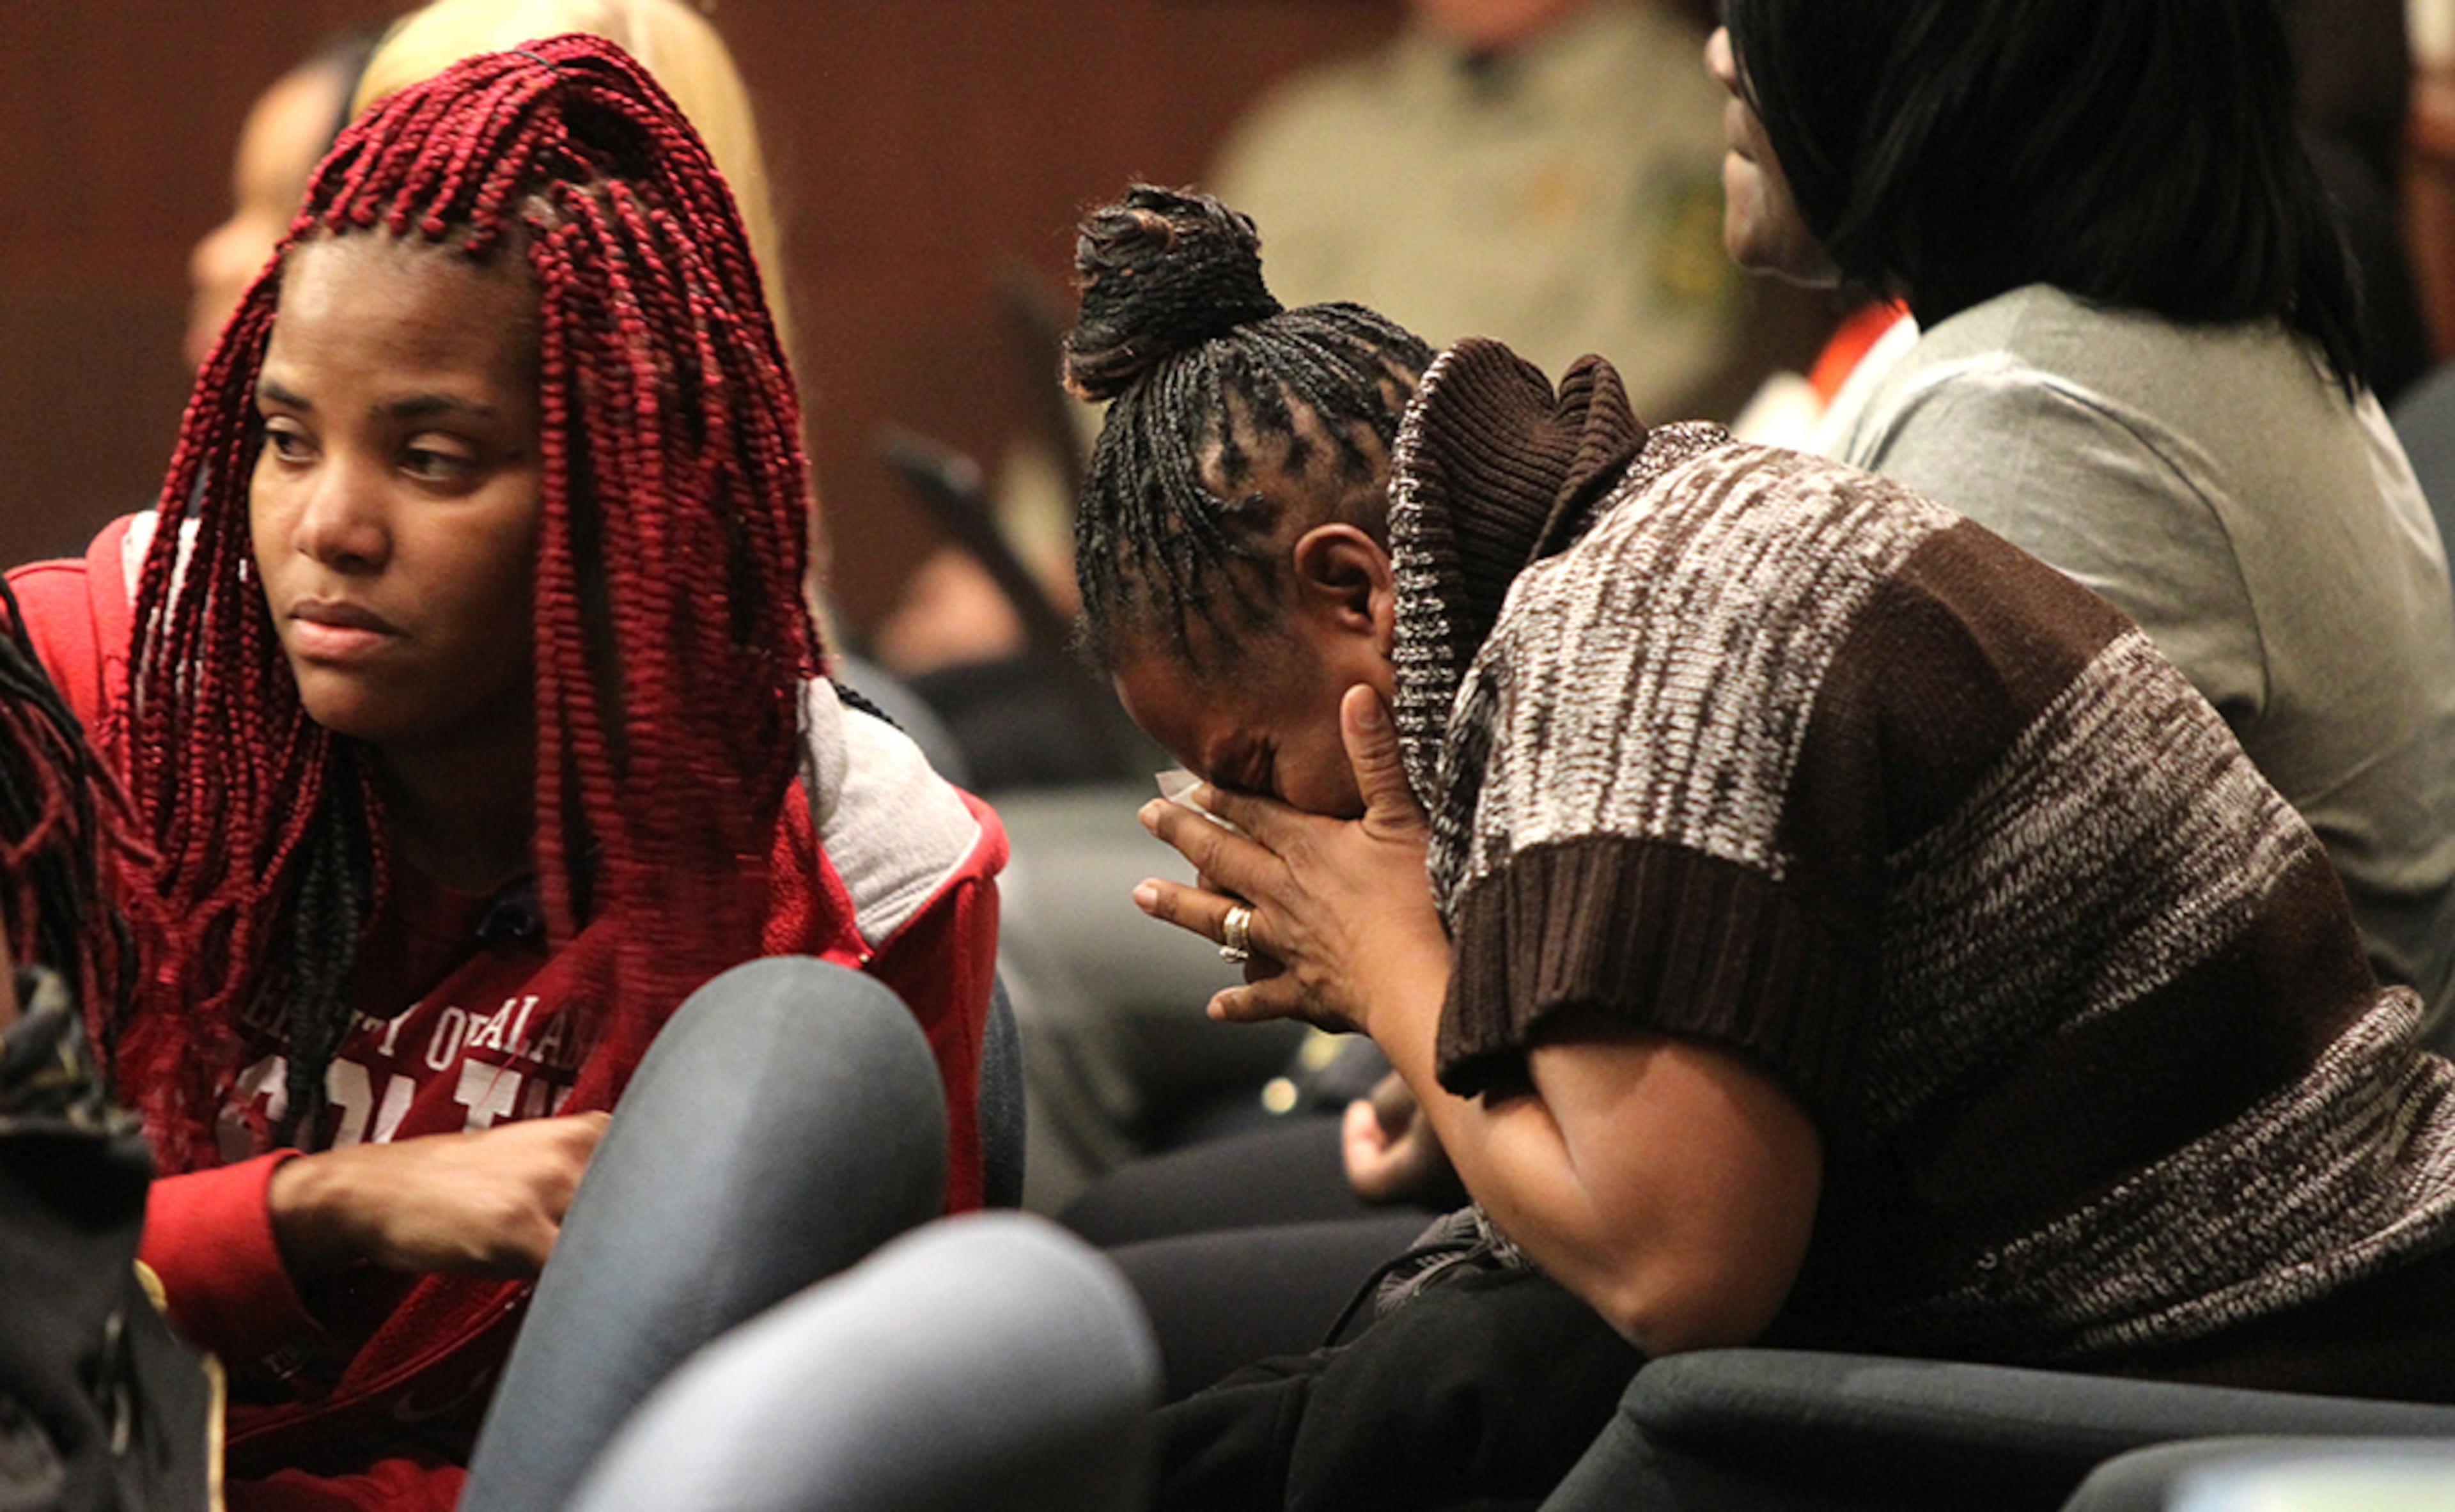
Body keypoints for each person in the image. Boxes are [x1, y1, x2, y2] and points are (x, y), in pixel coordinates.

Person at [1063, 184, 2455, 1509]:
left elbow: (1676, 1273)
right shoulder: (1616, 551)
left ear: (1357, 587)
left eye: (1252, 768)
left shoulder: (1628, 650)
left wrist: (1390, 968)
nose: (1261, 819)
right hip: (2113, 1305)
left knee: (1369, 1405)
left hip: (2249, 1352)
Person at [5, 36, 1002, 1506]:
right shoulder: (78, 699)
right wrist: (318, 1209)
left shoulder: (854, 879)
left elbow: (840, 1437)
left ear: (624, 492)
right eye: (285, 439)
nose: (325, 525)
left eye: (432, 459)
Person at [1708, 0, 2455, 1045]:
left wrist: (1418, 972)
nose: (1722, 59)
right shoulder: (2092, 330)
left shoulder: (2037, 419)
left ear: (1965, 53)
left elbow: (1857, 1043)